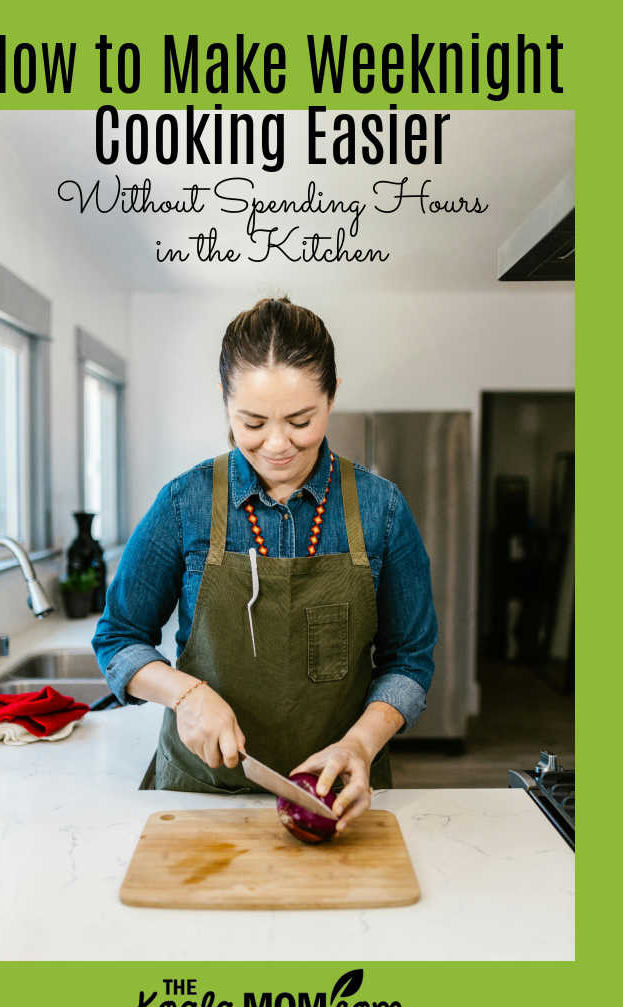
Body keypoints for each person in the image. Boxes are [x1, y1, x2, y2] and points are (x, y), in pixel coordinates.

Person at [92, 297, 437, 832]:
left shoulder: (382, 510)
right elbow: (118, 639)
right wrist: (185, 693)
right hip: (201, 796)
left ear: (333, 396)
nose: (277, 445)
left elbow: (409, 661)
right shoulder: (184, 504)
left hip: (335, 797)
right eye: (251, 422)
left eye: (301, 420)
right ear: (224, 400)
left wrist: (360, 745)